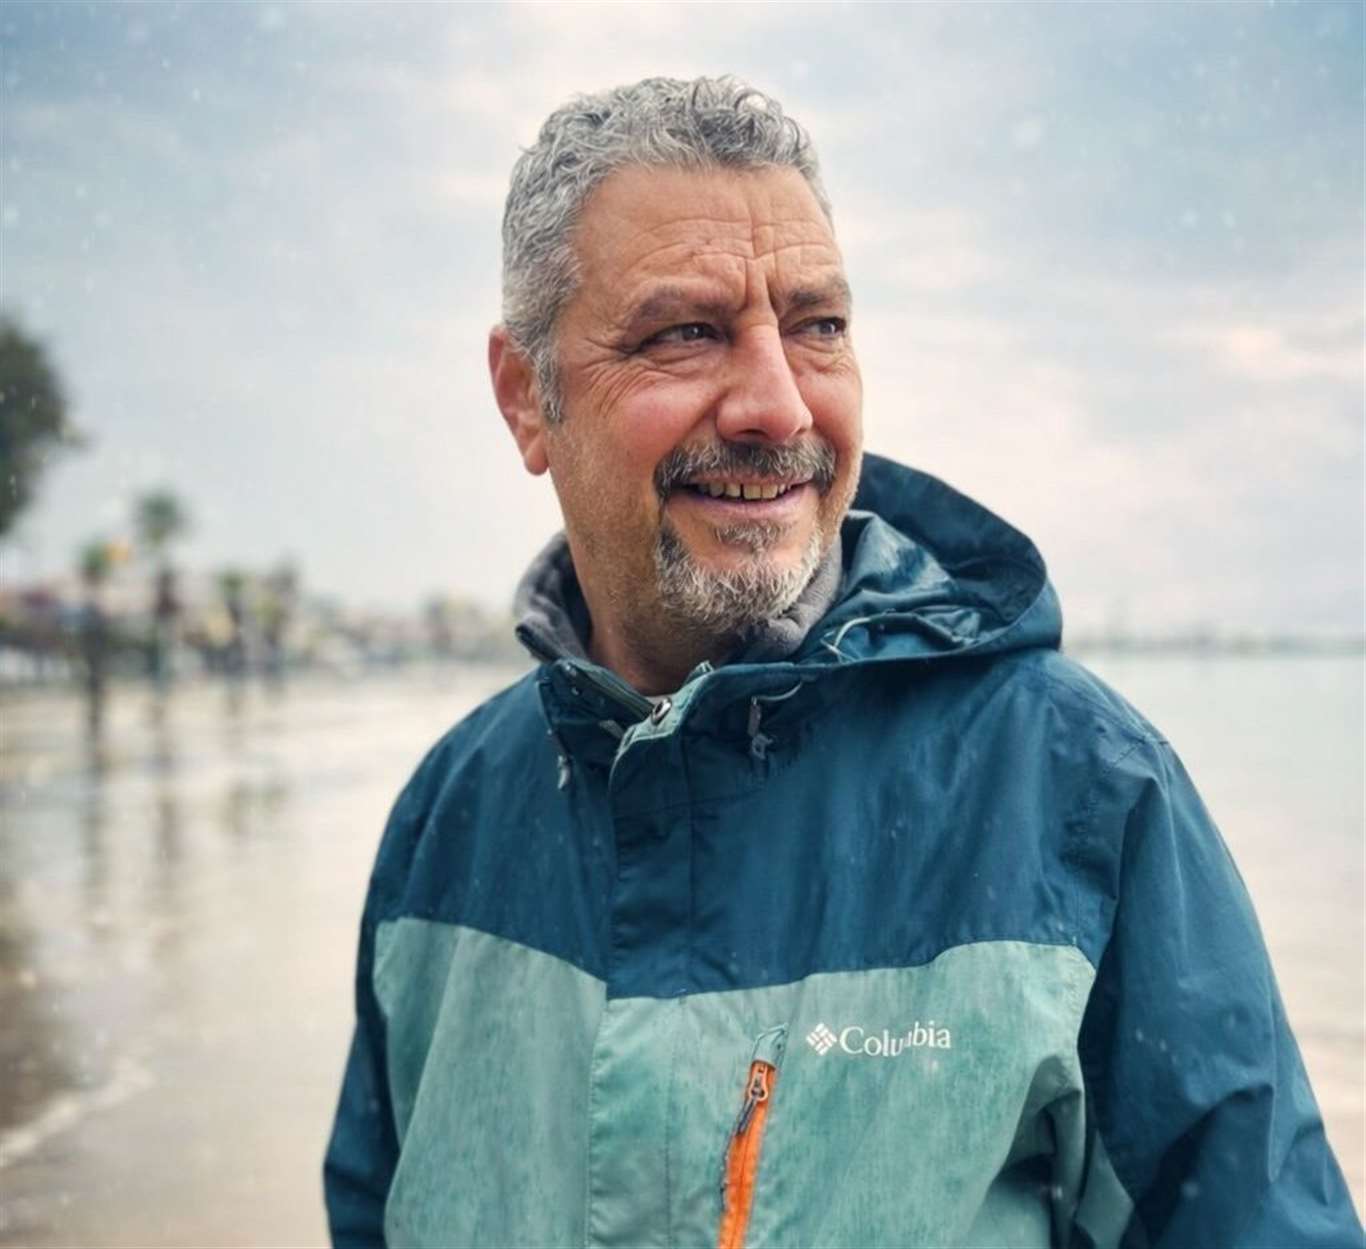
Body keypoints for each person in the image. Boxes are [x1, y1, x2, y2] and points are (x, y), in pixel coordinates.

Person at [324, 77, 1361, 1249]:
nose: (778, 405)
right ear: (526, 396)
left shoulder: (1078, 792)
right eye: (685, 332)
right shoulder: (449, 817)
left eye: (816, 326)